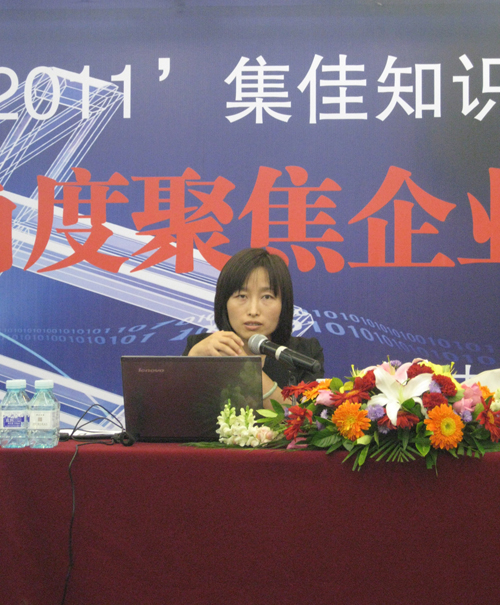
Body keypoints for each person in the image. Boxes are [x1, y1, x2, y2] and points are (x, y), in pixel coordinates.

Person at [182, 248, 324, 408]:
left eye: (267, 297)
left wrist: (247, 369)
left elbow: (305, 420)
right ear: (224, 302)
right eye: (242, 296)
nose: (253, 311)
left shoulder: (304, 353)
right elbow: (172, 410)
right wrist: (192, 359)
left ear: (283, 305)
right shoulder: (201, 347)